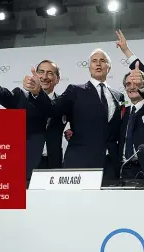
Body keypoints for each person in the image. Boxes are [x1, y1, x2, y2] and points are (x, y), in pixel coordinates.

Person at [0, 34, 66, 188]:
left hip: (54, 168)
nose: (44, 76)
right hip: (25, 168)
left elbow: (71, 118)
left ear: (57, 79)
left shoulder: (63, 102)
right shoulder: (20, 97)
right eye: (41, 72)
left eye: (50, 73)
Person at [24, 48, 124, 182]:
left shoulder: (119, 96)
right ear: (89, 67)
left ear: (109, 67)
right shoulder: (75, 90)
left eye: (102, 61)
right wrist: (38, 93)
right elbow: (53, 109)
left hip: (110, 164)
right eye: (94, 61)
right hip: (81, 162)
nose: (98, 64)